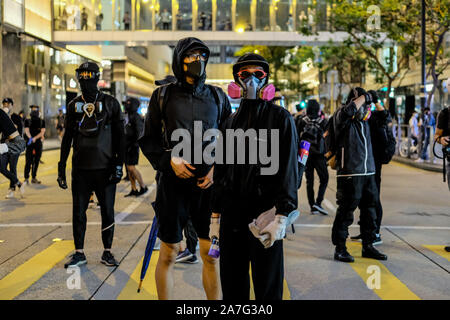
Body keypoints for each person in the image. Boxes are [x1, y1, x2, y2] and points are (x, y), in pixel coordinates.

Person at [139, 37, 231, 300]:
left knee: (211, 256)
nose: (197, 61)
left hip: (208, 188)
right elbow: (148, 140)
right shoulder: (163, 95)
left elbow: (230, 138)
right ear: (180, 60)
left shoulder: (217, 96)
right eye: (191, 56)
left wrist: (217, 169)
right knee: (169, 252)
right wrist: (170, 161)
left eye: (202, 56)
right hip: (172, 186)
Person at [211, 53, 299, 300]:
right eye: (245, 75)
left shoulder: (281, 118)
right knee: (232, 284)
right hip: (232, 215)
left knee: (268, 285)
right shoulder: (229, 122)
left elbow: (289, 169)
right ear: (236, 81)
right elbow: (222, 171)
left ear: (266, 80)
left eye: (258, 75)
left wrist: (282, 216)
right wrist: (215, 216)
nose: (252, 81)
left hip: (266, 214)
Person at [57, 61, 125, 268]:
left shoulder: (112, 103)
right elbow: (67, 137)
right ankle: (80, 252)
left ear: (97, 77)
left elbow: (121, 137)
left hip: (105, 169)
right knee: (78, 211)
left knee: (107, 211)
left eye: (89, 74)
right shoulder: (73, 106)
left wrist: (118, 165)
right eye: (82, 75)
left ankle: (107, 251)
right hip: (80, 169)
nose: (85, 78)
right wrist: (61, 166)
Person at [331, 87, 388, 263]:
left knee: (370, 211)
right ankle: (340, 248)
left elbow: (385, 117)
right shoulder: (343, 116)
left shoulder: (366, 122)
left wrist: (375, 100)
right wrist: (363, 96)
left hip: (369, 171)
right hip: (350, 172)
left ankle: (368, 245)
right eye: (365, 104)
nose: (367, 110)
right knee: (346, 211)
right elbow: (349, 111)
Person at [351, 90, 396, 246]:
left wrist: (375, 100)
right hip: (362, 163)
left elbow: (385, 115)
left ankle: (375, 232)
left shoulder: (374, 115)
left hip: (374, 162)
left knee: (373, 199)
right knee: (363, 200)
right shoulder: (359, 116)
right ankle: (366, 231)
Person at [296, 99, 329, 215]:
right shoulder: (323, 122)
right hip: (319, 155)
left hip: (306, 154)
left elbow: (296, 137)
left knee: (309, 181)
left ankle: (312, 206)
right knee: (324, 178)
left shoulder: (302, 121)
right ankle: (318, 202)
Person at [123, 97, 148, 197]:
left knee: (131, 168)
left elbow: (139, 133)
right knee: (129, 169)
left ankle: (143, 186)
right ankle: (133, 189)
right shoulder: (128, 115)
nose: (126, 106)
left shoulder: (136, 117)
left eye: (128, 104)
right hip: (127, 146)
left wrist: (134, 144)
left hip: (132, 147)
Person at [0, 101, 26, 198]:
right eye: (4, 104)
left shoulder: (15, 117)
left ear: (12, 105)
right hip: (4, 144)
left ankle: (12, 189)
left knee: (12, 167)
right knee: (2, 168)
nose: (6, 106)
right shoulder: (2, 115)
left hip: (13, 143)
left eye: (8, 104)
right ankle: (19, 183)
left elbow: (19, 131)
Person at [24, 105, 45, 184]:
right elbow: (27, 131)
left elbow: (42, 131)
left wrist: (33, 138)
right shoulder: (28, 121)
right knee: (29, 161)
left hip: (34, 142)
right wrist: (33, 138)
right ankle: (28, 178)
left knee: (35, 160)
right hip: (32, 142)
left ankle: (32, 177)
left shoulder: (41, 121)